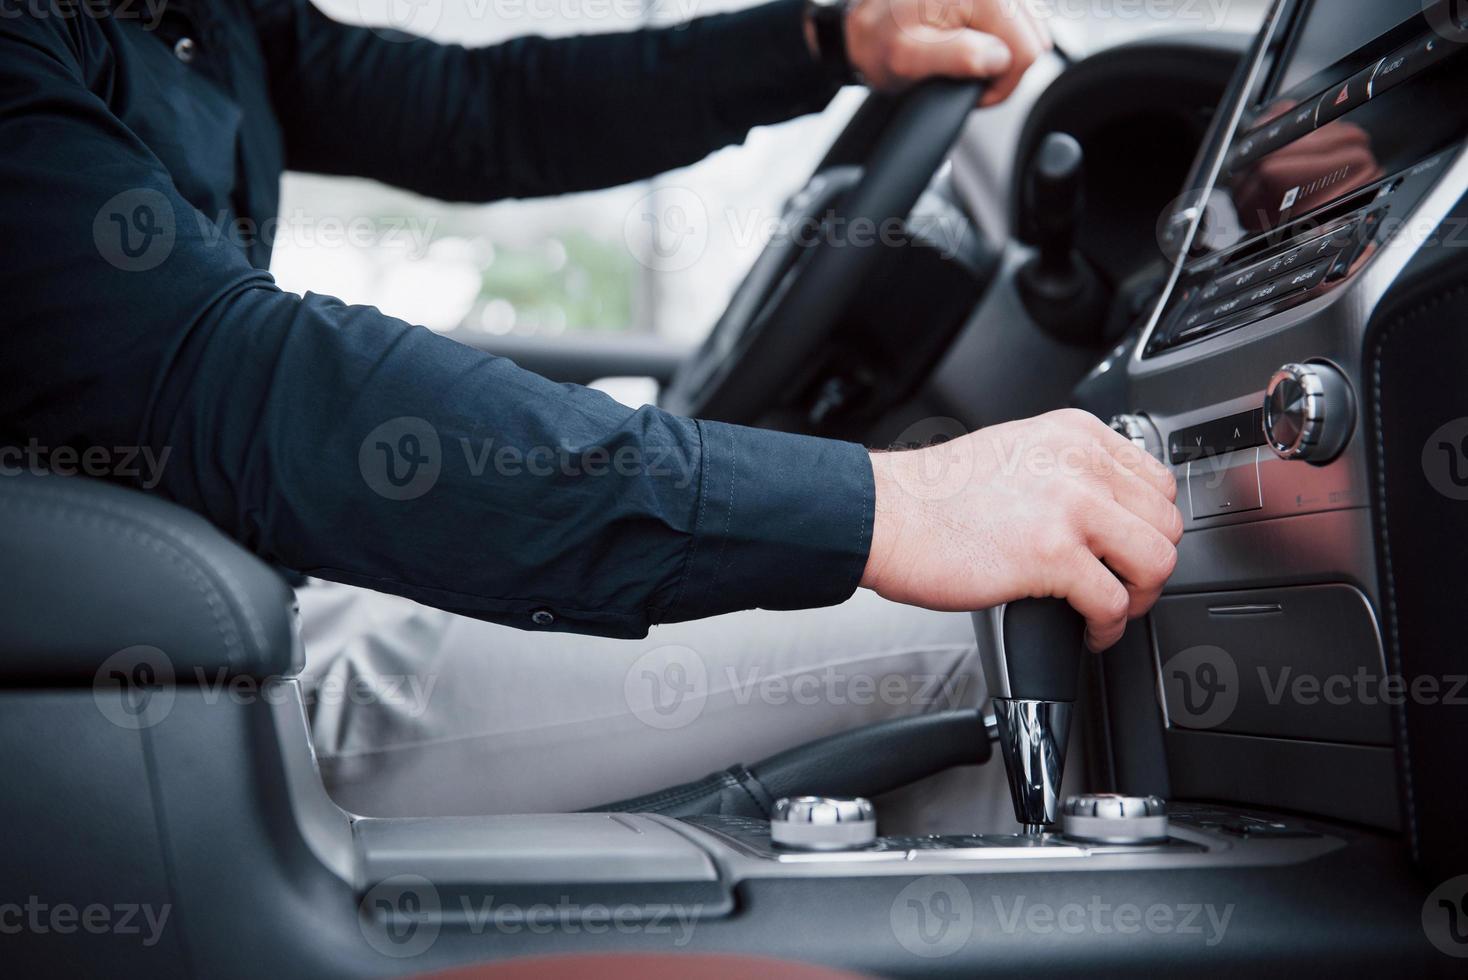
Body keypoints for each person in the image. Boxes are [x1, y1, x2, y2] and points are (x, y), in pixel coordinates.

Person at [0, 0, 1180, 819]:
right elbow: (235, 378)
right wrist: (886, 503)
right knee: (984, 634)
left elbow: (481, 107)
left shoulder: (200, 20)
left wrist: (823, 40)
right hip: (187, 680)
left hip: (257, 594)